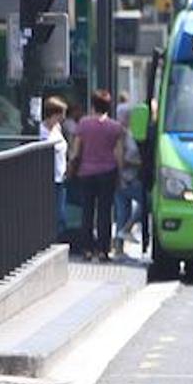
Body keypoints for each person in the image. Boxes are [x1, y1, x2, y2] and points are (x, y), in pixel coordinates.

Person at [68, 89, 126, 262]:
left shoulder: (83, 124)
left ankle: (86, 249)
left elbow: (76, 151)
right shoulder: (115, 127)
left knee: (87, 211)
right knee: (105, 211)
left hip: (86, 172)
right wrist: (120, 173)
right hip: (108, 172)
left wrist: (71, 166)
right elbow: (119, 153)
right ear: (109, 107)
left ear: (92, 105)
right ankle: (102, 250)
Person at [112, 93, 144, 260]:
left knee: (122, 212)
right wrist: (137, 163)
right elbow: (120, 157)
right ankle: (126, 230)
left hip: (125, 178)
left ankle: (119, 248)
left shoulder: (129, 132)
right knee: (147, 202)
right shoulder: (122, 134)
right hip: (126, 178)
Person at [40, 97, 68, 241]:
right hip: (48, 177)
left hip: (60, 176)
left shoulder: (57, 128)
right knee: (54, 212)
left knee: (60, 213)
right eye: (61, 114)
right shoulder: (41, 131)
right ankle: (51, 240)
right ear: (54, 114)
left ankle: (57, 238)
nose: (63, 117)